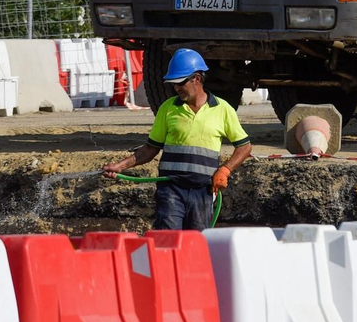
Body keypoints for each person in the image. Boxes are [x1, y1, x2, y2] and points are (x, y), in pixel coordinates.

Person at [102, 49, 251, 230]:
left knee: (196, 244)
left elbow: (244, 147)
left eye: (180, 82)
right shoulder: (168, 108)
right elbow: (150, 149)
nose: (176, 88)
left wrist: (225, 170)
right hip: (171, 190)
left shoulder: (222, 109)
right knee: (168, 241)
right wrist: (119, 166)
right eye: (173, 84)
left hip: (203, 192)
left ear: (196, 78)